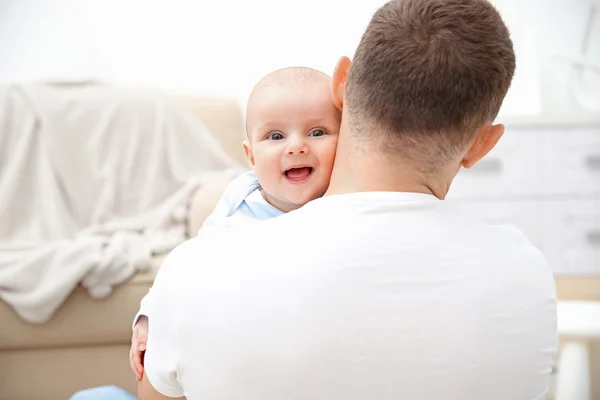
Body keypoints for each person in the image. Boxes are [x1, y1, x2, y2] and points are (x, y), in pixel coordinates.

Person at [138, 0, 558, 398]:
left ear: (341, 84)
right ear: (482, 144)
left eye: (316, 132)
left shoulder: (194, 272)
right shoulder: (529, 277)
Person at [129, 67, 341, 381]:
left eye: (317, 132)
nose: (296, 147)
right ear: (251, 156)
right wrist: (148, 315)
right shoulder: (240, 199)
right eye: (276, 136)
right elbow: (188, 264)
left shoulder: (342, 203)